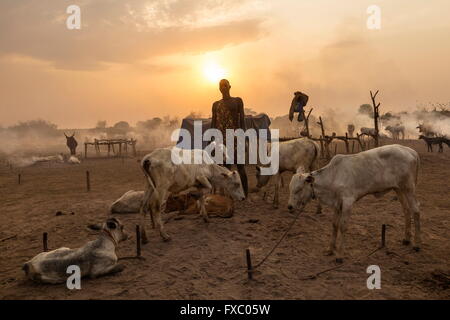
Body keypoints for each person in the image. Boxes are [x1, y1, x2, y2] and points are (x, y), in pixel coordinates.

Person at [211, 79, 248, 197]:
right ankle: (230, 193)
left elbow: (242, 120)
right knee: (226, 169)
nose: (223, 88)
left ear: (229, 87)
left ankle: (245, 194)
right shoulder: (215, 104)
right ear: (219, 88)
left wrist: (245, 138)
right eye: (221, 86)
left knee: (240, 167)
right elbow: (213, 123)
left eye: (225, 85)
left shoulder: (237, 101)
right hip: (222, 140)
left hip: (236, 138)